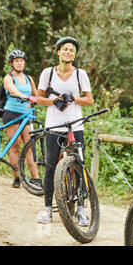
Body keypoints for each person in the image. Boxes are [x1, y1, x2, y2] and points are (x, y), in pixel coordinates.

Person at [35, 37, 94, 225]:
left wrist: (73, 98)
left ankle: (81, 210)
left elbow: (89, 100)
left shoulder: (80, 74)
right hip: (54, 125)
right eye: (65, 49)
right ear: (58, 52)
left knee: (78, 165)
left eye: (71, 50)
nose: (68, 52)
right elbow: (39, 98)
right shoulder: (47, 73)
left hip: (75, 126)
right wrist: (54, 101)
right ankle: (47, 209)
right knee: (51, 165)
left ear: (75, 55)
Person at [2, 50, 41, 188]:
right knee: (15, 146)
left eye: (21, 60)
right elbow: (12, 89)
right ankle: (17, 177)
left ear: (24, 62)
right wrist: (22, 96)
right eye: (16, 61)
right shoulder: (8, 78)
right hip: (12, 114)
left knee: (29, 146)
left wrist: (40, 99)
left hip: (27, 115)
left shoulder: (29, 78)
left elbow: (36, 94)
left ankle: (35, 178)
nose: (19, 63)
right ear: (12, 63)